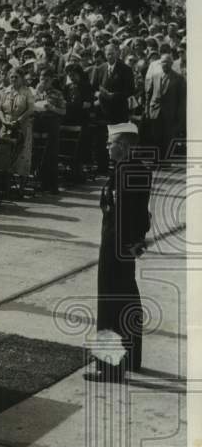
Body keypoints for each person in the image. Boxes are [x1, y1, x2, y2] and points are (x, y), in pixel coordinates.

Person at [86, 122, 152, 381]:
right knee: (126, 297)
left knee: (111, 301)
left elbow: (130, 212)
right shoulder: (132, 169)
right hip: (123, 243)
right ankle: (131, 358)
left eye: (110, 143)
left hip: (116, 243)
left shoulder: (126, 171)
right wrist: (138, 240)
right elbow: (141, 214)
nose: (106, 147)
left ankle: (110, 366)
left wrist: (132, 240)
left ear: (122, 146)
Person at [142, 53, 186, 165]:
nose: (164, 64)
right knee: (155, 136)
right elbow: (148, 94)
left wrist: (180, 118)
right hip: (155, 110)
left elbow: (181, 101)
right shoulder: (155, 75)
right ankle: (156, 160)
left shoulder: (178, 78)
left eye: (167, 62)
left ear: (171, 63)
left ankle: (165, 161)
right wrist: (147, 110)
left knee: (167, 137)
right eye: (162, 62)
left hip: (169, 112)